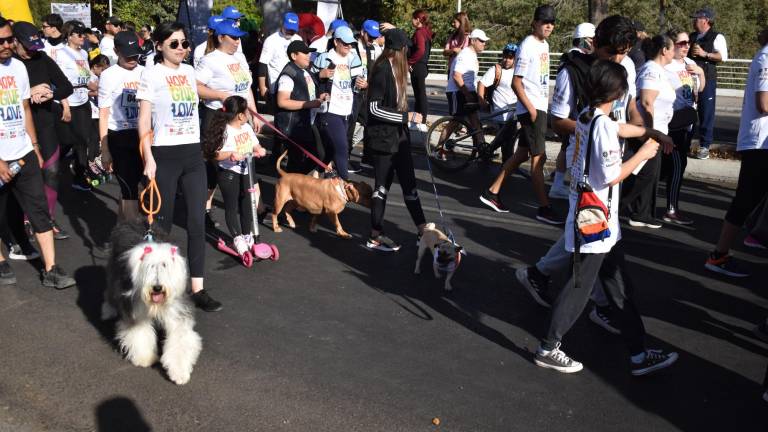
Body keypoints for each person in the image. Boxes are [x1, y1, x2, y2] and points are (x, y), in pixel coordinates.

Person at [516, 15, 671, 334]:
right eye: (611, 52)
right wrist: (599, 130)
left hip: (612, 156)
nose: (617, 59)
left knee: (595, 237)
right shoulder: (572, 72)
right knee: (596, 240)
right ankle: (575, 324)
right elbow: (559, 121)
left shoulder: (625, 65)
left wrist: (644, 130)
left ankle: (542, 277)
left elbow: (628, 107)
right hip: (587, 168)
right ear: (595, 45)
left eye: (624, 52)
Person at [534, 59, 678, 376]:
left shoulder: (589, 115)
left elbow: (618, 127)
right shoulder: (600, 125)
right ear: (617, 92)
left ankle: (639, 354)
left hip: (599, 220)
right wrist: (644, 152)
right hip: (595, 220)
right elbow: (612, 176)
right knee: (580, 287)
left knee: (618, 287)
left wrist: (649, 131)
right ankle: (548, 346)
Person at [136, 21, 222, 312]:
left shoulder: (188, 71)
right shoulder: (151, 74)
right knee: (163, 226)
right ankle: (160, 287)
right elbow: (144, 120)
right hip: (164, 154)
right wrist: (148, 157)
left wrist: (224, 95)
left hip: (192, 155)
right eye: (174, 44)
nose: (182, 49)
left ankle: (197, 288)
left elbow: (200, 90)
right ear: (159, 45)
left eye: (185, 43)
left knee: (197, 223)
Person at [0, 15, 77, 289]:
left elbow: (24, 110)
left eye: (10, 40)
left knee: (39, 208)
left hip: (25, 149)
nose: (7, 45)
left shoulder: (19, 68)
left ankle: (51, 268)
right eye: (2, 41)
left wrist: (33, 148)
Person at [480, 5, 561, 225]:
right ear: (534, 22)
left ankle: (492, 192)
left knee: (522, 155)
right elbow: (517, 82)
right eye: (545, 22)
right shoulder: (527, 46)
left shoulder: (544, 45)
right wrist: (532, 109)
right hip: (532, 109)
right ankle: (544, 208)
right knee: (538, 159)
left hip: (538, 107)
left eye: (552, 22)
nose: (549, 26)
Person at [704, 28, 768, 278]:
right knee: (745, 200)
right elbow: (764, 103)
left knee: (750, 200)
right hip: (760, 143)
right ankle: (719, 255)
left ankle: (752, 236)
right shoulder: (766, 58)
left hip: (762, 143)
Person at [364, 28, 427, 252]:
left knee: (410, 185)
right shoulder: (382, 69)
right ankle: (375, 236)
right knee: (381, 188)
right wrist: (405, 116)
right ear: (398, 49)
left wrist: (409, 120)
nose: (408, 49)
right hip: (382, 139)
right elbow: (373, 108)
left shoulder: (398, 69)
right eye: (405, 47)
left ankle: (424, 232)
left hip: (399, 138)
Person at [12, 21, 73, 241]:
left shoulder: (42, 58)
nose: (31, 52)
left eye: (34, 47)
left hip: (46, 122)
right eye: (27, 47)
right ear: (15, 42)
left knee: (52, 171)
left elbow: (66, 86)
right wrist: (30, 92)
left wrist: (50, 93)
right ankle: (24, 220)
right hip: (18, 126)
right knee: (23, 176)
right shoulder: (9, 64)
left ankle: (47, 217)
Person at [196, 19, 260, 230]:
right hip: (218, 116)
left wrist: (254, 114)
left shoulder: (240, 58)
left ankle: (249, 218)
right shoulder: (210, 60)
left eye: (239, 37)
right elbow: (196, 87)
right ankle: (204, 210)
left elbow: (246, 87)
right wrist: (221, 96)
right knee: (215, 168)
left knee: (244, 164)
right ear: (221, 37)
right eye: (233, 37)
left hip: (240, 118)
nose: (237, 41)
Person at [624, 34, 676, 229]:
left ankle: (643, 213)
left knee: (651, 174)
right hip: (649, 131)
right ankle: (615, 204)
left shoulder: (660, 71)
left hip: (659, 130)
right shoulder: (651, 70)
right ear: (664, 50)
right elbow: (646, 102)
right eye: (672, 48)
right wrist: (651, 132)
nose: (674, 52)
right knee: (645, 173)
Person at [202, 95, 267, 254]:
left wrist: (259, 149)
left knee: (247, 204)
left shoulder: (246, 128)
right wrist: (231, 154)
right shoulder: (225, 130)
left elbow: (255, 144)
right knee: (232, 206)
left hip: (246, 171)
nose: (249, 115)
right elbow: (216, 154)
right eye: (247, 112)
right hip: (229, 173)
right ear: (240, 115)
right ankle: (237, 238)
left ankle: (247, 235)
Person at [98, 31, 145, 220]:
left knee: (138, 186)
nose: (133, 59)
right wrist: (105, 149)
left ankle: (122, 227)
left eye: (136, 54)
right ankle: (132, 238)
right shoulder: (108, 75)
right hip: (119, 135)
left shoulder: (145, 72)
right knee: (129, 189)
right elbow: (103, 113)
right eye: (128, 55)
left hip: (143, 135)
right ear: (117, 51)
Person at [548, 22, 597, 200]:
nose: (593, 43)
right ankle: (568, 188)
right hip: (573, 115)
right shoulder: (578, 60)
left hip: (568, 113)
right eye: (591, 39)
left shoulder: (569, 57)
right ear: (584, 40)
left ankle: (558, 184)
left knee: (566, 149)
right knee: (575, 153)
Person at [662, 29, 705, 225]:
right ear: (672, 44)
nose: (687, 46)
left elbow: (700, 89)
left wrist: (701, 73)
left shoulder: (691, 64)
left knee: (669, 167)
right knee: (679, 165)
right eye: (682, 43)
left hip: (689, 121)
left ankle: (641, 203)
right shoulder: (667, 66)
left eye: (688, 42)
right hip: (674, 122)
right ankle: (671, 210)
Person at [312, 25, 365, 180]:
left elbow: (358, 82)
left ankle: (316, 174)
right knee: (342, 148)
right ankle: (345, 184)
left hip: (348, 111)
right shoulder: (324, 58)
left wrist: (363, 84)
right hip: (330, 111)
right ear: (336, 42)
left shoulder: (353, 59)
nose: (349, 46)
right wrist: (320, 75)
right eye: (345, 43)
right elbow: (309, 80)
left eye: (351, 43)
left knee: (331, 149)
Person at [275, 40, 328, 174]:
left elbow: (307, 93)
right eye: (305, 53)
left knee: (319, 155)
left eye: (309, 53)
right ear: (294, 56)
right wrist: (309, 104)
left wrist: (320, 97)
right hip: (293, 128)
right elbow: (282, 101)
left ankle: (295, 182)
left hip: (306, 123)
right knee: (298, 161)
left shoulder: (305, 71)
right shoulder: (288, 75)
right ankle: (290, 187)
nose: (309, 56)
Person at [58, 20, 98, 192]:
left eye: (84, 34)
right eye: (80, 34)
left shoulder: (83, 53)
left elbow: (87, 74)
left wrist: (93, 83)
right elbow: (58, 82)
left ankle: (80, 176)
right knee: (68, 141)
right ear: (69, 36)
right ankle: (49, 164)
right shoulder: (61, 54)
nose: (84, 37)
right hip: (69, 102)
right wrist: (65, 105)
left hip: (83, 101)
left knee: (83, 140)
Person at [443, 28, 489, 154]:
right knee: (455, 121)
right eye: (481, 41)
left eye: (485, 41)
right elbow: (457, 76)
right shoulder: (465, 54)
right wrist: (467, 94)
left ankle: (483, 149)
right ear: (473, 41)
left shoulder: (472, 55)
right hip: (457, 91)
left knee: (475, 120)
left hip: (467, 90)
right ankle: (438, 148)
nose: (484, 43)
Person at [689, 7, 728, 160]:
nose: (694, 20)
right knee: (688, 110)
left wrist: (705, 54)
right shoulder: (692, 36)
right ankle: (686, 142)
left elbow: (722, 56)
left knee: (706, 113)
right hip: (689, 80)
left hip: (707, 79)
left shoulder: (717, 37)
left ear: (705, 20)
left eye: (696, 18)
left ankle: (704, 146)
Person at [347, 19, 383, 170]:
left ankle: (346, 152)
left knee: (365, 123)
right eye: (371, 36)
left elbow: (376, 71)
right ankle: (343, 157)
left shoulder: (374, 49)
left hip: (365, 93)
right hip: (350, 93)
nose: (373, 40)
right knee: (350, 125)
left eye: (376, 37)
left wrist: (369, 84)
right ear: (362, 32)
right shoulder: (350, 45)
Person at [477, 42, 518, 162]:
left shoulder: (519, 71)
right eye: (505, 56)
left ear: (516, 59)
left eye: (510, 58)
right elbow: (482, 83)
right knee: (508, 140)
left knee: (508, 139)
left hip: (513, 111)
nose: (506, 60)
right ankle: (505, 166)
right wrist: (481, 100)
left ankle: (489, 152)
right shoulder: (496, 70)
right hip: (500, 110)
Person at [257, 12, 301, 111]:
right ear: (282, 24)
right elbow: (263, 65)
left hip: (295, 86)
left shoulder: (298, 39)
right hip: (276, 87)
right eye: (288, 28)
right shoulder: (271, 40)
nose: (290, 31)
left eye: (293, 30)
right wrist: (262, 87)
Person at [408, 9, 433, 121]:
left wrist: (410, 62)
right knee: (419, 94)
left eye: (413, 18)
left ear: (418, 19)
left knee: (420, 95)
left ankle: (421, 117)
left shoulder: (419, 32)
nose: (412, 21)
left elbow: (421, 50)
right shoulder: (426, 31)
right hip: (422, 66)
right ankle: (419, 117)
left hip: (418, 66)